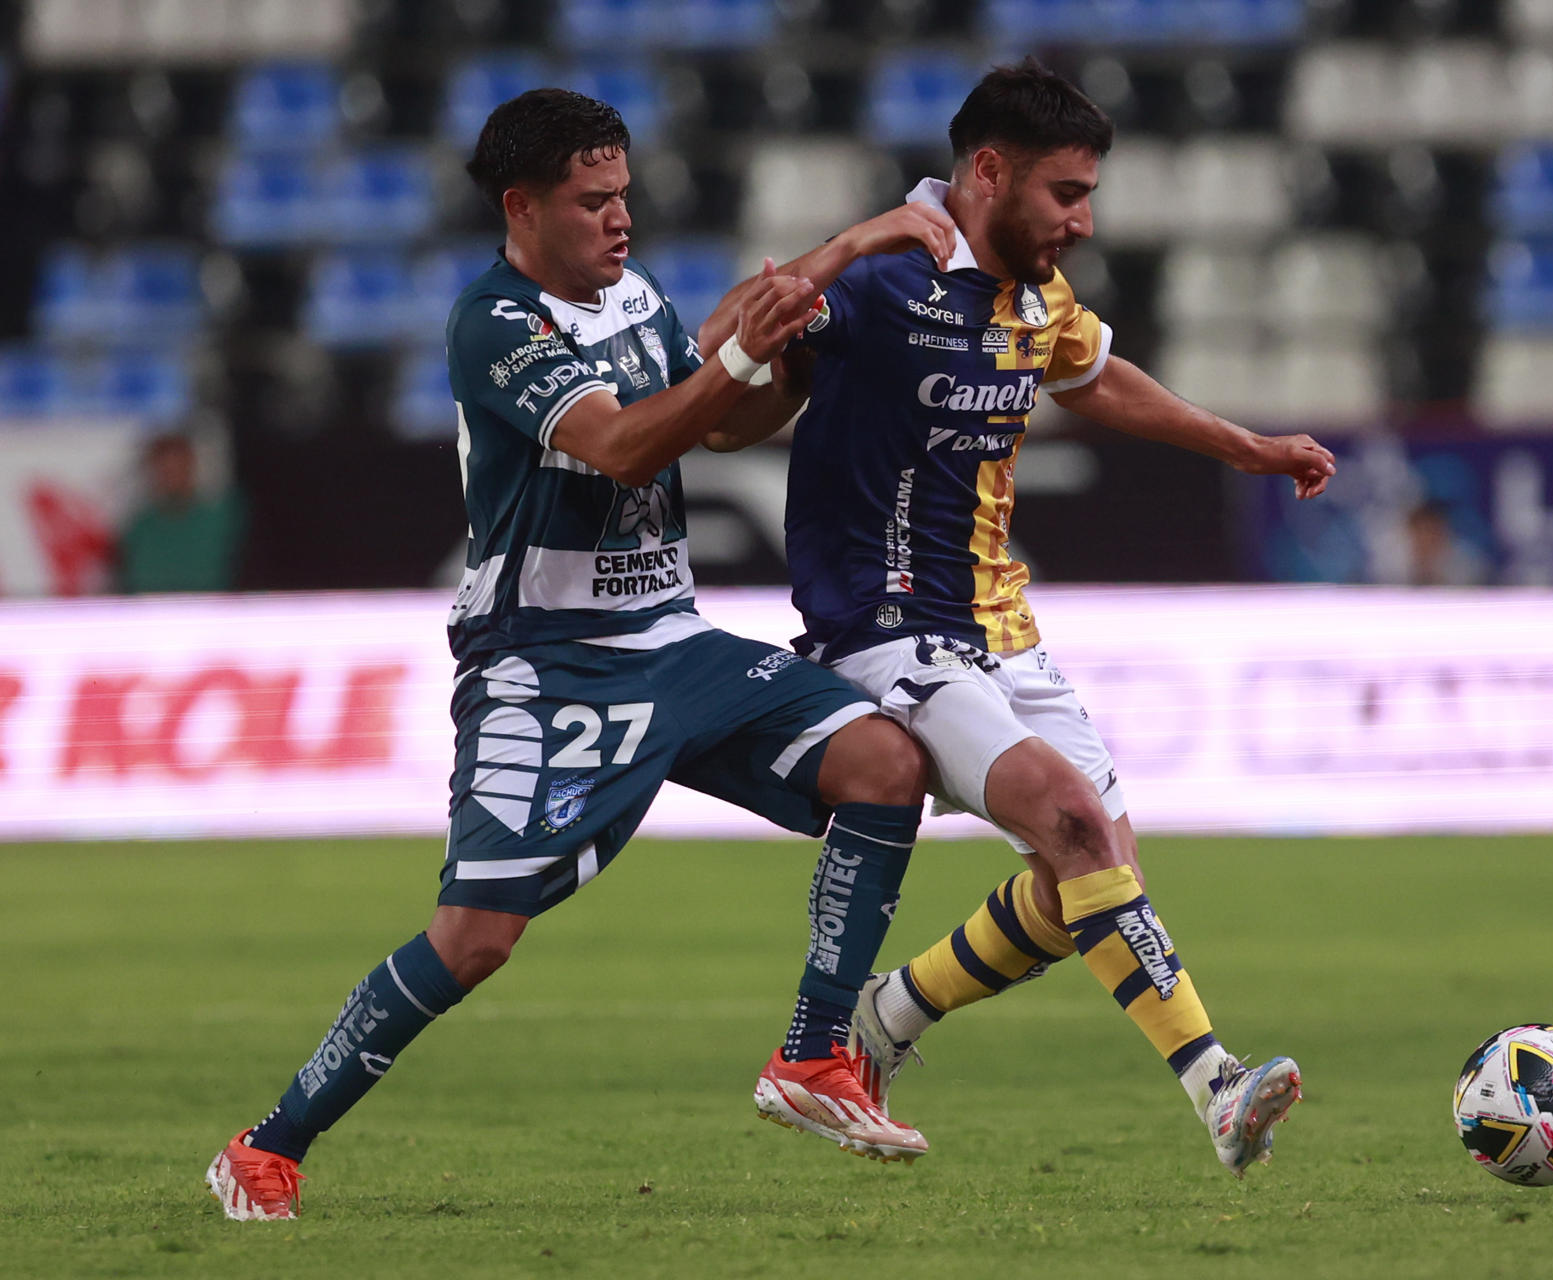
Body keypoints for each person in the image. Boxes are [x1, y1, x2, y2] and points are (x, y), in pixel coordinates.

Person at [205, 88, 960, 1221]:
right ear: (523, 207)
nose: (620, 218)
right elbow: (619, 444)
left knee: (885, 765)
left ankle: (811, 1054)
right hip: (547, 658)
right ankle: (268, 1142)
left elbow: (714, 419)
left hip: (670, 639)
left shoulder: (636, 296)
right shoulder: (495, 323)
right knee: (476, 939)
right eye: (592, 200)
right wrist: (747, 352)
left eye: (623, 195)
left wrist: (795, 346)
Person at [699, 60, 1337, 1177]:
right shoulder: (889, 276)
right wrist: (845, 245)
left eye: (1089, 194)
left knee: (1089, 881)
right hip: (884, 628)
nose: (1082, 220)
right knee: (1080, 828)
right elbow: (716, 358)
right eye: (1064, 193)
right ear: (987, 172)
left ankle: (886, 1019)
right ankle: (1219, 1089)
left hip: (1003, 628)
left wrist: (1253, 446)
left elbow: (1101, 378)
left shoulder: (1036, 298)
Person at [116, 432, 244, 593]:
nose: (172, 476)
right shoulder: (139, 528)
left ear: (191, 466)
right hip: (151, 612)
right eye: (165, 470)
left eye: (178, 467)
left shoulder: (221, 520)